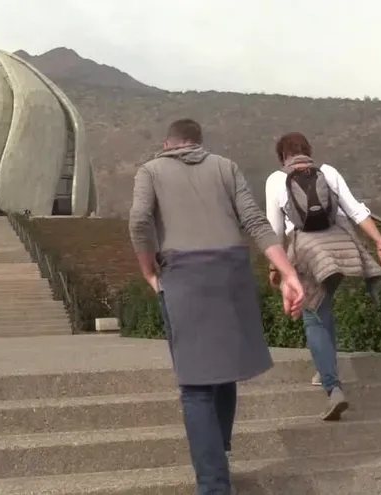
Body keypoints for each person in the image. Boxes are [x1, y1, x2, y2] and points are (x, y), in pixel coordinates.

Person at [128, 118, 305, 495]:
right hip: (231, 272)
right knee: (223, 370)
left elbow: (140, 218)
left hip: (183, 274)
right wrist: (288, 272)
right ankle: (220, 450)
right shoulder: (226, 167)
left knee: (195, 385)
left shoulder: (151, 170)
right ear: (198, 143)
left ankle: (213, 485)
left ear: (167, 144)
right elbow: (255, 221)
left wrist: (148, 269)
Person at [264, 131, 381, 421]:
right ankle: (326, 368)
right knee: (325, 307)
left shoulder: (276, 180)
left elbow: (274, 229)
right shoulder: (328, 172)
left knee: (313, 314)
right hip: (342, 250)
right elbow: (356, 211)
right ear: (308, 151)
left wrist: (276, 267)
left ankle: (332, 387)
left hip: (309, 253)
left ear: (282, 156)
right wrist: (380, 243)